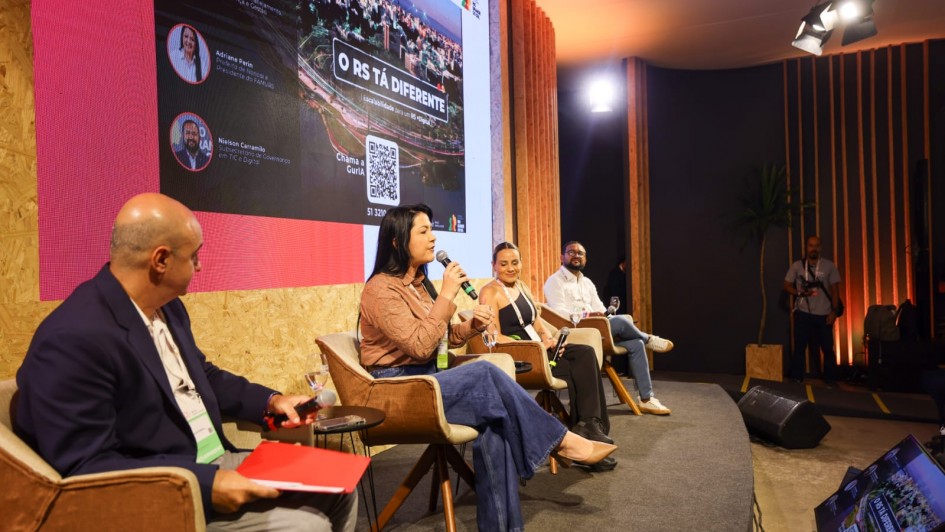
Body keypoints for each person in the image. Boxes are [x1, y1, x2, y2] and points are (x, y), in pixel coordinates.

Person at [15, 193, 357, 531]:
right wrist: (207, 485)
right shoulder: (73, 338)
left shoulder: (168, 307)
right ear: (160, 260)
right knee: (304, 526)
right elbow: (89, 468)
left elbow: (202, 376)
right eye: (194, 256)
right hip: (165, 486)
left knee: (340, 489)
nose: (200, 266)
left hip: (211, 458)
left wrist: (271, 401)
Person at [359, 204, 617, 532]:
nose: (433, 238)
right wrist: (449, 293)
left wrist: (469, 329)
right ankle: (561, 441)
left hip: (430, 379)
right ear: (397, 241)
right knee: (485, 371)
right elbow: (420, 346)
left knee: (494, 425)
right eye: (423, 231)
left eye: (431, 229)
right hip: (397, 391)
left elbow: (442, 339)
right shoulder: (380, 289)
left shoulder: (421, 285)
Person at [480, 242, 617, 459]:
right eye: (504, 264)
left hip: (542, 349)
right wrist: (535, 347)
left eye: (515, 263)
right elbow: (495, 338)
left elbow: (536, 321)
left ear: (521, 264)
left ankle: (589, 424)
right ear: (494, 266)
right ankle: (589, 431)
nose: (510, 268)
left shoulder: (521, 287)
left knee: (585, 353)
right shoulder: (489, 292)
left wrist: (550, 338)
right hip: (523, 356)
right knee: (577, 367)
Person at [544, 241, 674, 415]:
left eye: (580, 253)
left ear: (586, 259)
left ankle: (646, 399)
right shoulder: (554, 281)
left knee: (635, 343)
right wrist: (588, 316)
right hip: (575, 330)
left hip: (598, 328)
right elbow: (559, 313)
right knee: (621, 322)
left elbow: (600, 308)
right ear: (562, 257)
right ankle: (648, 338)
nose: (576, 255)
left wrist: (604, 315)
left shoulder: (587, 282)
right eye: (571, 252)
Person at [783, 235, 842, 384]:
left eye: (816, 245)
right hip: (803, 313)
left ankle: (831, 380)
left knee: (828, 349)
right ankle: (797, 378)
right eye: (810, 245)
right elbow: (786, 285)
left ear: (820, 248)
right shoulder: (797, 265)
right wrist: (799, 293)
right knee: (799, 348)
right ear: (806, 248)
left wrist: (834, 312)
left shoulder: (829, 266)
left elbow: (835, 291)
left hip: (824, 314)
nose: (813, 248)